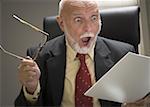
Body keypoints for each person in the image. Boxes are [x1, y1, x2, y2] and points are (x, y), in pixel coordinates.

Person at [15, 0, 150, 107]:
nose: (88, 28)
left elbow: (138, 98)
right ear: (61, 23)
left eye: (93, 18)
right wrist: (31, 89)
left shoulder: (123, 54)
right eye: (78, 20)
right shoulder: (39, 55)